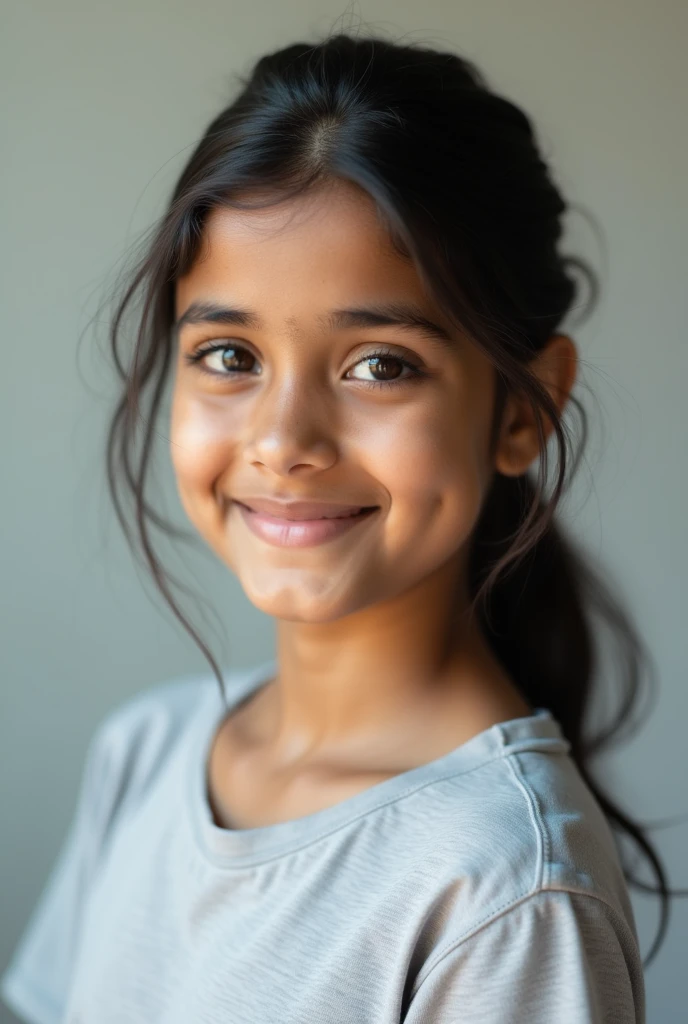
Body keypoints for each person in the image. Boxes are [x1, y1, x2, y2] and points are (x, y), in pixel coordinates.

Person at [2, 30, 679, 1024]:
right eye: (230, 354)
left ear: (526, 408)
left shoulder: (502, 891)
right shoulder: (146, 751)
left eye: (380, 364)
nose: (284, 441)